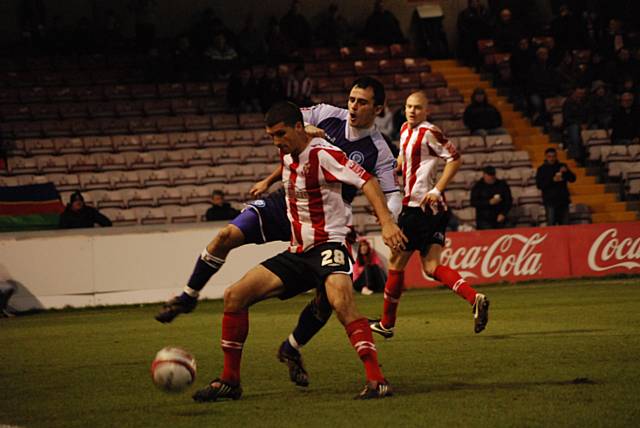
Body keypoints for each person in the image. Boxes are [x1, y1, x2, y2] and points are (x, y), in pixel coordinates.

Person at [156, 76, 403, 387]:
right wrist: (271, 180)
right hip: (288, 207)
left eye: (362, 102)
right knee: (226, 244)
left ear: (378, 109)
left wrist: (388, 218)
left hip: (326, 226)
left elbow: (384, 189)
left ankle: (300, 351)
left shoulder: (374, 150)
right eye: (351, 99)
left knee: (331, 302)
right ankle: (191, 299)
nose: (353, 106)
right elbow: (289, 136)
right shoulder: (324, 116)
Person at [369, 91, 490, 341]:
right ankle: (474, 297)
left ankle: (387, 323)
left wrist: (436, 189)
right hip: (435, 212)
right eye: (408, 106)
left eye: (417, 108)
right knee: (432, 267)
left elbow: (454, 159)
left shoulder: (429, 132)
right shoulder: (403, 129)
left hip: (419, 208)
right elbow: (405, 158)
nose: (412, 111)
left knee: (395, 263)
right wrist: (396, 167)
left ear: (427, 111)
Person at [535, 147, 576, 226]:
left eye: (553, 156)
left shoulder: (562, 166)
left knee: (565, 226)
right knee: (551, 226)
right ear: (546, 157)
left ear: (556, 156)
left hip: (563, 200)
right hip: (550, 202)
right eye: (549, 156)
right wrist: (552, 180)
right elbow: (539, 185)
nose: (552, 158)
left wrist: (566, 172)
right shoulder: (541, 169)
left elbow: (572, 179)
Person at [470, 165, 512, 230]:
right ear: (484, 175)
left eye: (493, 175)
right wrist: (488, 202)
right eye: (489, 175)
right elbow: (473, 202)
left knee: (509, 226)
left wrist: (503, 213)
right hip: (484, 219)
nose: (491, 177)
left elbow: (508, 201)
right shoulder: (478, 187)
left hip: (500, 216)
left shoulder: (502, 185)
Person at [456, 0, 492, 66]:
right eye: (473, 1)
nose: (476, 3)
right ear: (470, 3)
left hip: (484, 35)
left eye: (477, 1)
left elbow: (489, 24)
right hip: (470, 36)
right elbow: (461, 26)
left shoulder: (485, 12)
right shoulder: (464, 13)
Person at [561, 86, 589, 162]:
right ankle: (577, 156)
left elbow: (589, 114)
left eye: (582, 93)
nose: (581, 95)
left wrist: (586, 123)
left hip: (583, 123)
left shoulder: (585, 102)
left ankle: (588, 154)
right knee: (575, 130)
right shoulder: (568, 103)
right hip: (571, 124)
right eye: (579, 93)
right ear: (574, 93)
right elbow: (567, 118)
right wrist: (580, 124)